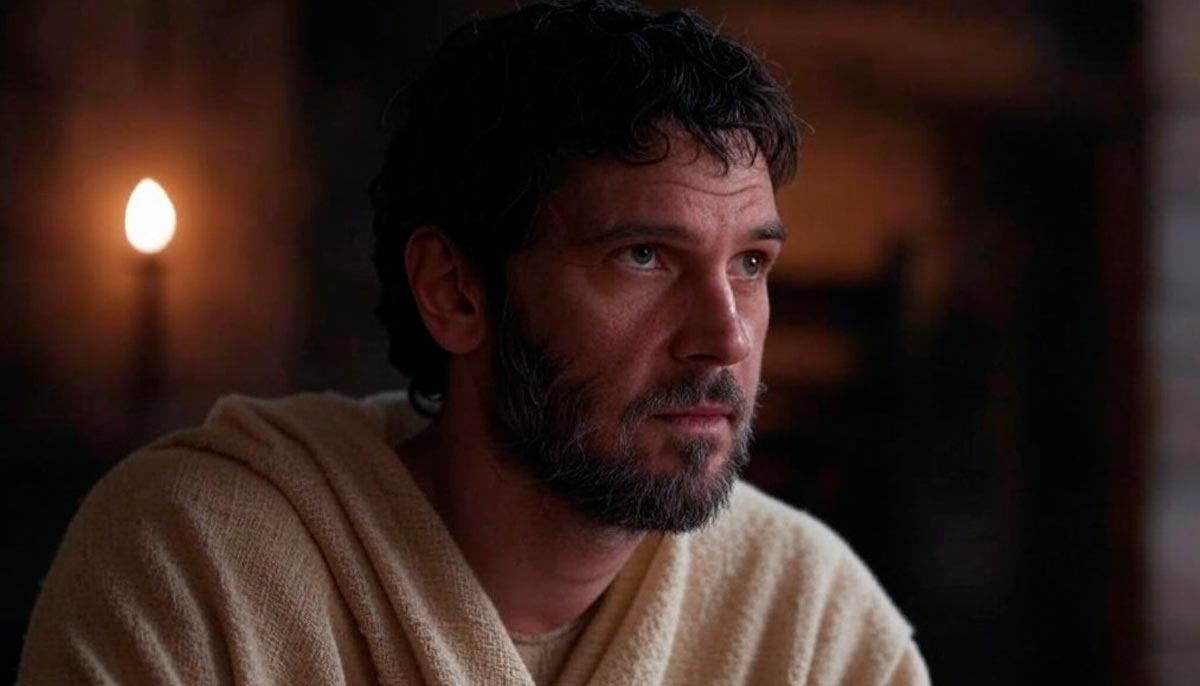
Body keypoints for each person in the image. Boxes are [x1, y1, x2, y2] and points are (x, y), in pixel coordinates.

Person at [20, 1, 930, 684]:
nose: (725, 338)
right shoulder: (195, 565)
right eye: (644, 256)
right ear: (454, 290)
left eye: (751, 264)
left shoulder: (814, 625)